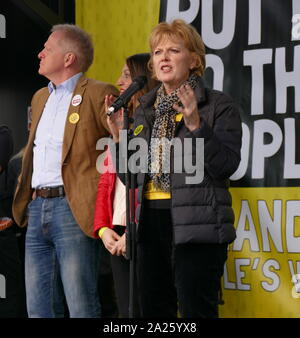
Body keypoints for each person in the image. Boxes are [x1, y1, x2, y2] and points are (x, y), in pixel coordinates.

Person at [107, 19, 242, 318]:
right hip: (149, 224)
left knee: (197, 311)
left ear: (194, 60)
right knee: (155, 312)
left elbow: (227, 166)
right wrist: (119, 139)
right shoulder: (144, 109)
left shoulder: (218, 105)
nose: (164, 57)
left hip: (197, 224)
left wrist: (196, 125)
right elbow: (131, 179)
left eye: (173, 50)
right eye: (157, 52)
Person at [12, 24, 118, 318]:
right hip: (36, 208)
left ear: (68, 58)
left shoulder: (99, 93)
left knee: (81, 305)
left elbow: (120, 147)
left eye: (47, 48)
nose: (40, 53)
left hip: (74, 209)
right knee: (38, 308)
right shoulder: (38, 97)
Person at [93, 53, 159, 317]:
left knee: (149, 308)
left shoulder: (155, 123)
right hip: (117, 229)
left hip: (143, 228)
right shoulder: (122, 125)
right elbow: (106, 185)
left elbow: (147, 183)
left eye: (127, 75)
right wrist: (102, 229)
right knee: (125, 311)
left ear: (145, 80)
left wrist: (134, 232)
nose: (119, 81)